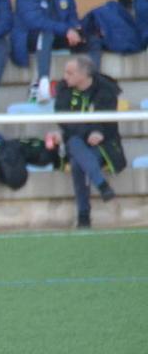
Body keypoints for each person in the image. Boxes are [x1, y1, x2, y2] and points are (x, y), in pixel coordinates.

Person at [49, 55, 124, 228]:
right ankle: (103, 187)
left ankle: (83, 216)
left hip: (103, 144)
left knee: (77, 162)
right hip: (76, 141)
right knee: (75, 143)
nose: (65, 76)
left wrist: (97, 132)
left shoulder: (106, 89)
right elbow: (65, 121)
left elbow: (108, 123)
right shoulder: (63, 89)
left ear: (84, 74)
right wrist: (90, 131)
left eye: (70, 73)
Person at [14, 0, 98, 104]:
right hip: (33, 37)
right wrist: (66, 30)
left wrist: (75, 29)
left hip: (61, 34)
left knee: (93, 40)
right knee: (46, 34)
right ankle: (43, 83)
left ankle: (92, 83)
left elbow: (72, 14)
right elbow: (35, 21)